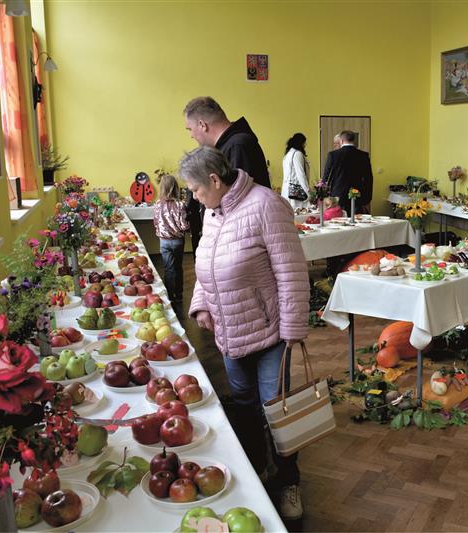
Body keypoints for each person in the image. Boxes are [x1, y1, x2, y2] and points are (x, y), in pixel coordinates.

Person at [180, 146, 309, 520]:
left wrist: (292, 330)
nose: (194, 196)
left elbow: (291, 272)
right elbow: (205, 263)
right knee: (244, 406)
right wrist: (201, 304)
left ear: (215, 180)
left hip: (270, 334)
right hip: (229, 332)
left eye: (196, 189)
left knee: (277, 413)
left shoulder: (266, 205)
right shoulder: (212, 211)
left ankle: (288, 481)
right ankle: (257, 473)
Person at [183, 97, 271, 252]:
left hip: (242, 244)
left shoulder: (238, 146)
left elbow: (239, 202)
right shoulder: (230, 145)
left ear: (202, 125)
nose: (191, 135)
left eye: (190, 129)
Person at [153, 174, 190, 311]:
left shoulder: (158, 204)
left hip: (164, 241)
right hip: (178, 241)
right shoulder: (180, 204)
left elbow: (155, 222)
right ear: (175, 188)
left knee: (168, 269)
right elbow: (184, 225)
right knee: (178, 267)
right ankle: (179, 295)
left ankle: (170, 295)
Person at [322, 130, 373, 213]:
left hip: (337, 194)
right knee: (355, 219)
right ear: (353, 140)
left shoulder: (333, 155)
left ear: (341, 141)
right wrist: (367, 198)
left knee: (337, 218)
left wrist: (324, 195)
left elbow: (326, 176)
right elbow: (368, 178)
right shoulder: (363, 155)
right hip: (357, 194)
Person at [281, 133, 310, 209]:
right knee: (299, 212)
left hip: (287, 189)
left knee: (289, 212)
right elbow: (300, 173)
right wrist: (307, 190)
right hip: (296, 190)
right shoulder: (297, 154)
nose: (305, 145)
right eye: (304, 143)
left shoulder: (288, 154)